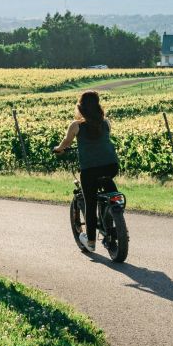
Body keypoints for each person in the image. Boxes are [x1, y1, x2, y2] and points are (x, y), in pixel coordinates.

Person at [53, 90, 120, 252]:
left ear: (81, 108)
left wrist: (58, 149)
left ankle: (90, 242)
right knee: (109, 189)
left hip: (89, 170)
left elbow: (65, 143)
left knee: (90, 203)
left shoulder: (76, 126)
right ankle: (113, 214)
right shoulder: (106, 122)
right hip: (111, 167)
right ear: (98, 106)